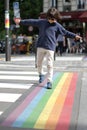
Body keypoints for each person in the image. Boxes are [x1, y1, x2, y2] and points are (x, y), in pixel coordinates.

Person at [14, 7, 82, 89]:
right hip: (40, 46)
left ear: (56, 18)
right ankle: (41, 74)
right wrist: (21, 21)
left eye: (52, 19)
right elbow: (32, 21)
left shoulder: (58, 26)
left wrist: (75, 36)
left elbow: (66, 33)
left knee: (50, 65)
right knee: (39, 63)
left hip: (50, 48)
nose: (50, 20)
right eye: (49, 18)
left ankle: (49, 81)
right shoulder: (42, 22)